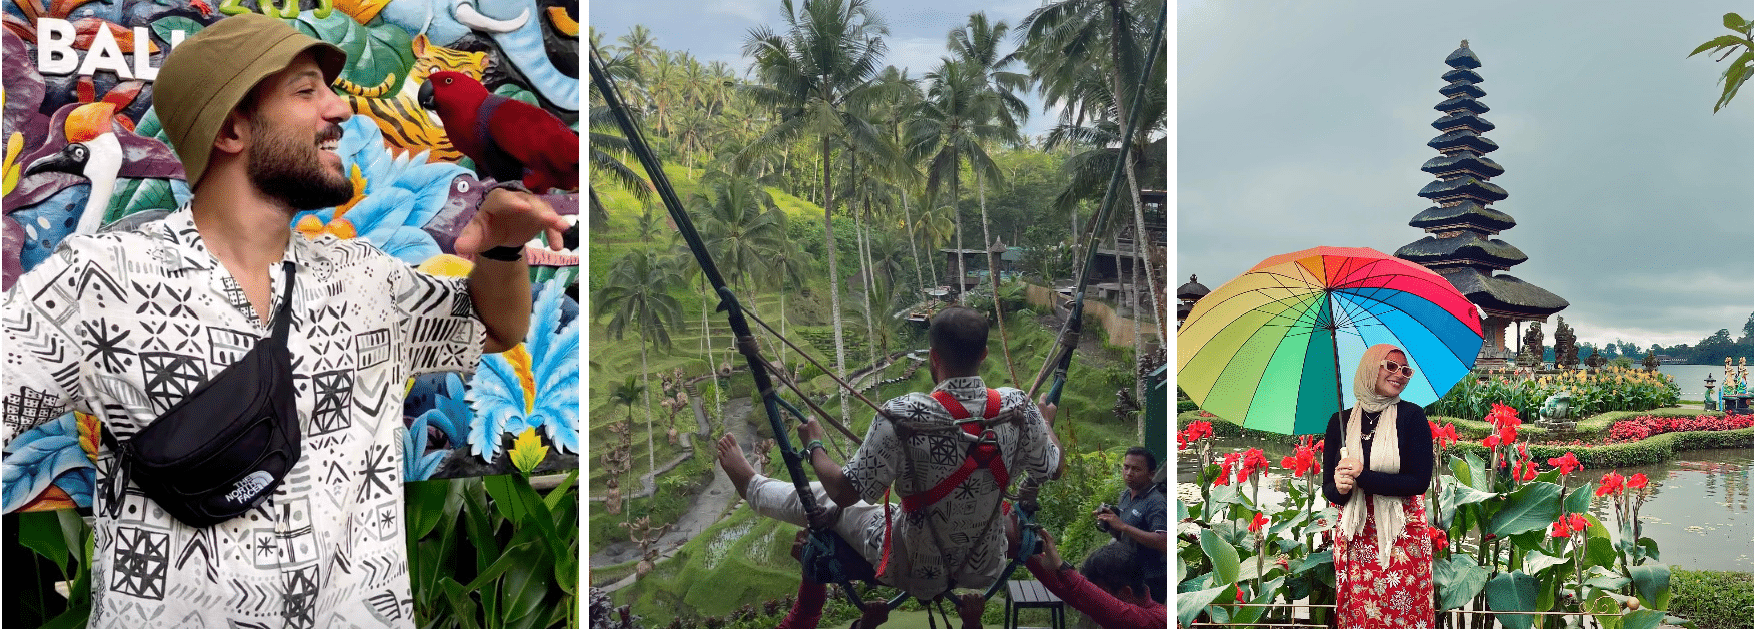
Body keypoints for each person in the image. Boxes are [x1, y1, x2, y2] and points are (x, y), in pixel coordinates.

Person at [0, 14, 568, 629]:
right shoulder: (101, 279)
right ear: (232, 129)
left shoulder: (365, 274)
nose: (341, 111)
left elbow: (493, 327)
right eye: (306, 91)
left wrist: (504, 247)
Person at [723, 306, 1063, 603]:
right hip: (983, 565)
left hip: (914, 567)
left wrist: (814, 445)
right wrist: (1047, 425)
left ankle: (753, 487)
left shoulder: (904, 414)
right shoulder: (1019, 407)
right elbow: (1054, 468)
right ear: (985, 354)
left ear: (933, 356)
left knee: (821, 496)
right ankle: (755, 487)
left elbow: (843, 492)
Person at [1321, 344, 1436, 629]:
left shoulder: (1413, 418)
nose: (1400, 375)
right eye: (1391, 366)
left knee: (1404, 613)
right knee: (1361, 615)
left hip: (1402, 534)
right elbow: (1329, 489)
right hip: (1356, 536)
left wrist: (1363, 475)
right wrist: (1341, 487)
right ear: (1370, 368)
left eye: (1405, 370)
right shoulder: (1340, 421)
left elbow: (1419, 482)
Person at [1022, 531, 1165, 629]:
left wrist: (1062, 567)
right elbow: (1071, 592)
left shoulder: (1161, 619)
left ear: (1126, 592)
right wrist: (1024, 546)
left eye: (1100, 592)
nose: (1094, 597)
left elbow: (1114, 611)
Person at [1096, 445, 1167, 603]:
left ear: (1151, 474)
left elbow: (1164, 542)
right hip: (1128, 576)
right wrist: (1110, 523)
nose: (1129, 473)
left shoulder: (1156, 502)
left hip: (1150, 580)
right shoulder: (1126, 495)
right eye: (1126, 467)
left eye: (1136, 469)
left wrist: (1123, 526)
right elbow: (1123, 535)